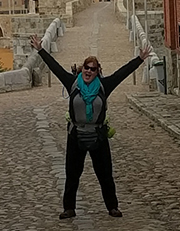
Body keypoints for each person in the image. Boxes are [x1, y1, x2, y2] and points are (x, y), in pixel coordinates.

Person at [30, 34, 151, 219]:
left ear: (97, 72)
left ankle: (112, 206)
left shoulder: (104, 86)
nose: (88, 71)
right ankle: (69, 208)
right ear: (82, 69)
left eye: (93, 69)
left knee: (105, 174)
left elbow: (121, 73)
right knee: (72, 173)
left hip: (98, 134)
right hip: (76, 134)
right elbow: (54, 67)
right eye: (86, 68)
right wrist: (40, 50)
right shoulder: (72, 83)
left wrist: (139, 59)